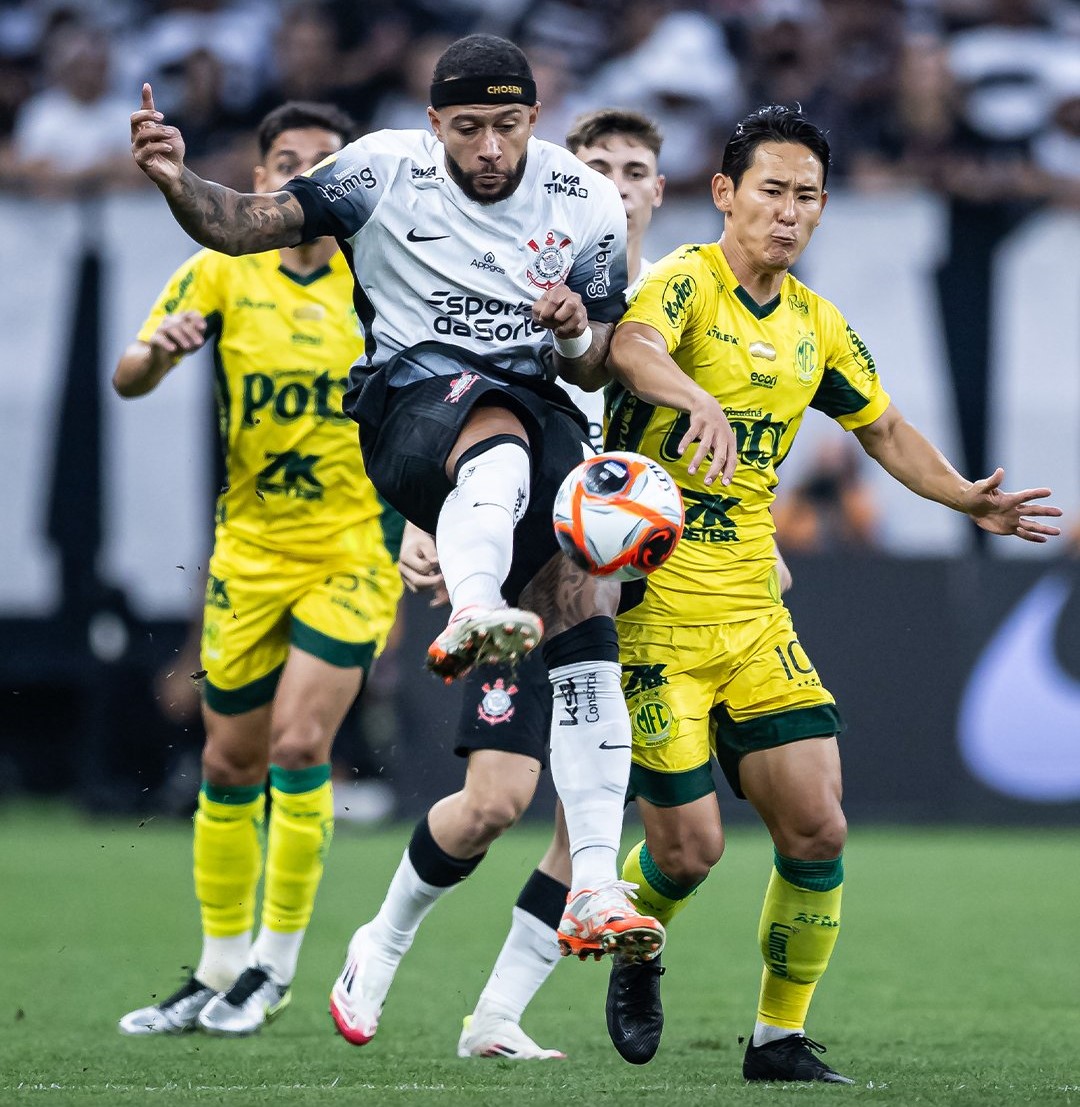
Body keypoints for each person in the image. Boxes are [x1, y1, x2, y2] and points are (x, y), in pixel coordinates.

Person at [129, 33, 707, 1042]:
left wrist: (574, 331)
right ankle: (478, 606)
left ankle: (597, 885)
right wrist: (180, 179)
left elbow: (596, 362)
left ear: (535, 118)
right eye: (469, 126)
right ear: (435, 122)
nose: (489, 147)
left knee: (588, 606)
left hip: (535, 410)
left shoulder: (583, 204)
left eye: (508, 125)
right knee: (498, 430)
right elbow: (244, 223)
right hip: (408, 412)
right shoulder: (377, 170)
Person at [598, 103, 1063, 1082]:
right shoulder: (685, 283)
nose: (790, 213)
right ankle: (635, 945)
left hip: (756, 616)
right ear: (724, 193)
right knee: (687, 854)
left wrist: (964, 498)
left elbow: (884, 431)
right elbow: (629, 350)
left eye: (807, 197)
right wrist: (691, 396)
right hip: (654, 622)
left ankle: (777, 1039)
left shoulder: (815, 323)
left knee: (818, 827)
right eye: (771, 190)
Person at [116, 100, 404, 1037]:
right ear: (264, 169)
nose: (306, 175)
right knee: (226, 759)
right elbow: (126, 372)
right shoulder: (221, 269)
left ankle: (273, 967)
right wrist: (157, 355)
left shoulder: (383, 280)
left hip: (353, 549)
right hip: (248, 550)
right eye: (289, 160)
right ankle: (216, 966)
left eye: (326, 162)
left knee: (297, 744)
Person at [385, 108, 668, 1063]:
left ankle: (499, 1012)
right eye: (597, 167)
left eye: (635, 169)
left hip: (621, 562)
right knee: (497, 798)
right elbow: (453, 411)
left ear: (659, 191)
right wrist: (425, 525)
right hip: (521, 560)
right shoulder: (511, 278)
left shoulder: (675, 298)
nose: (615, 184)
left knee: (604, 812)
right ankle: (382, 944)